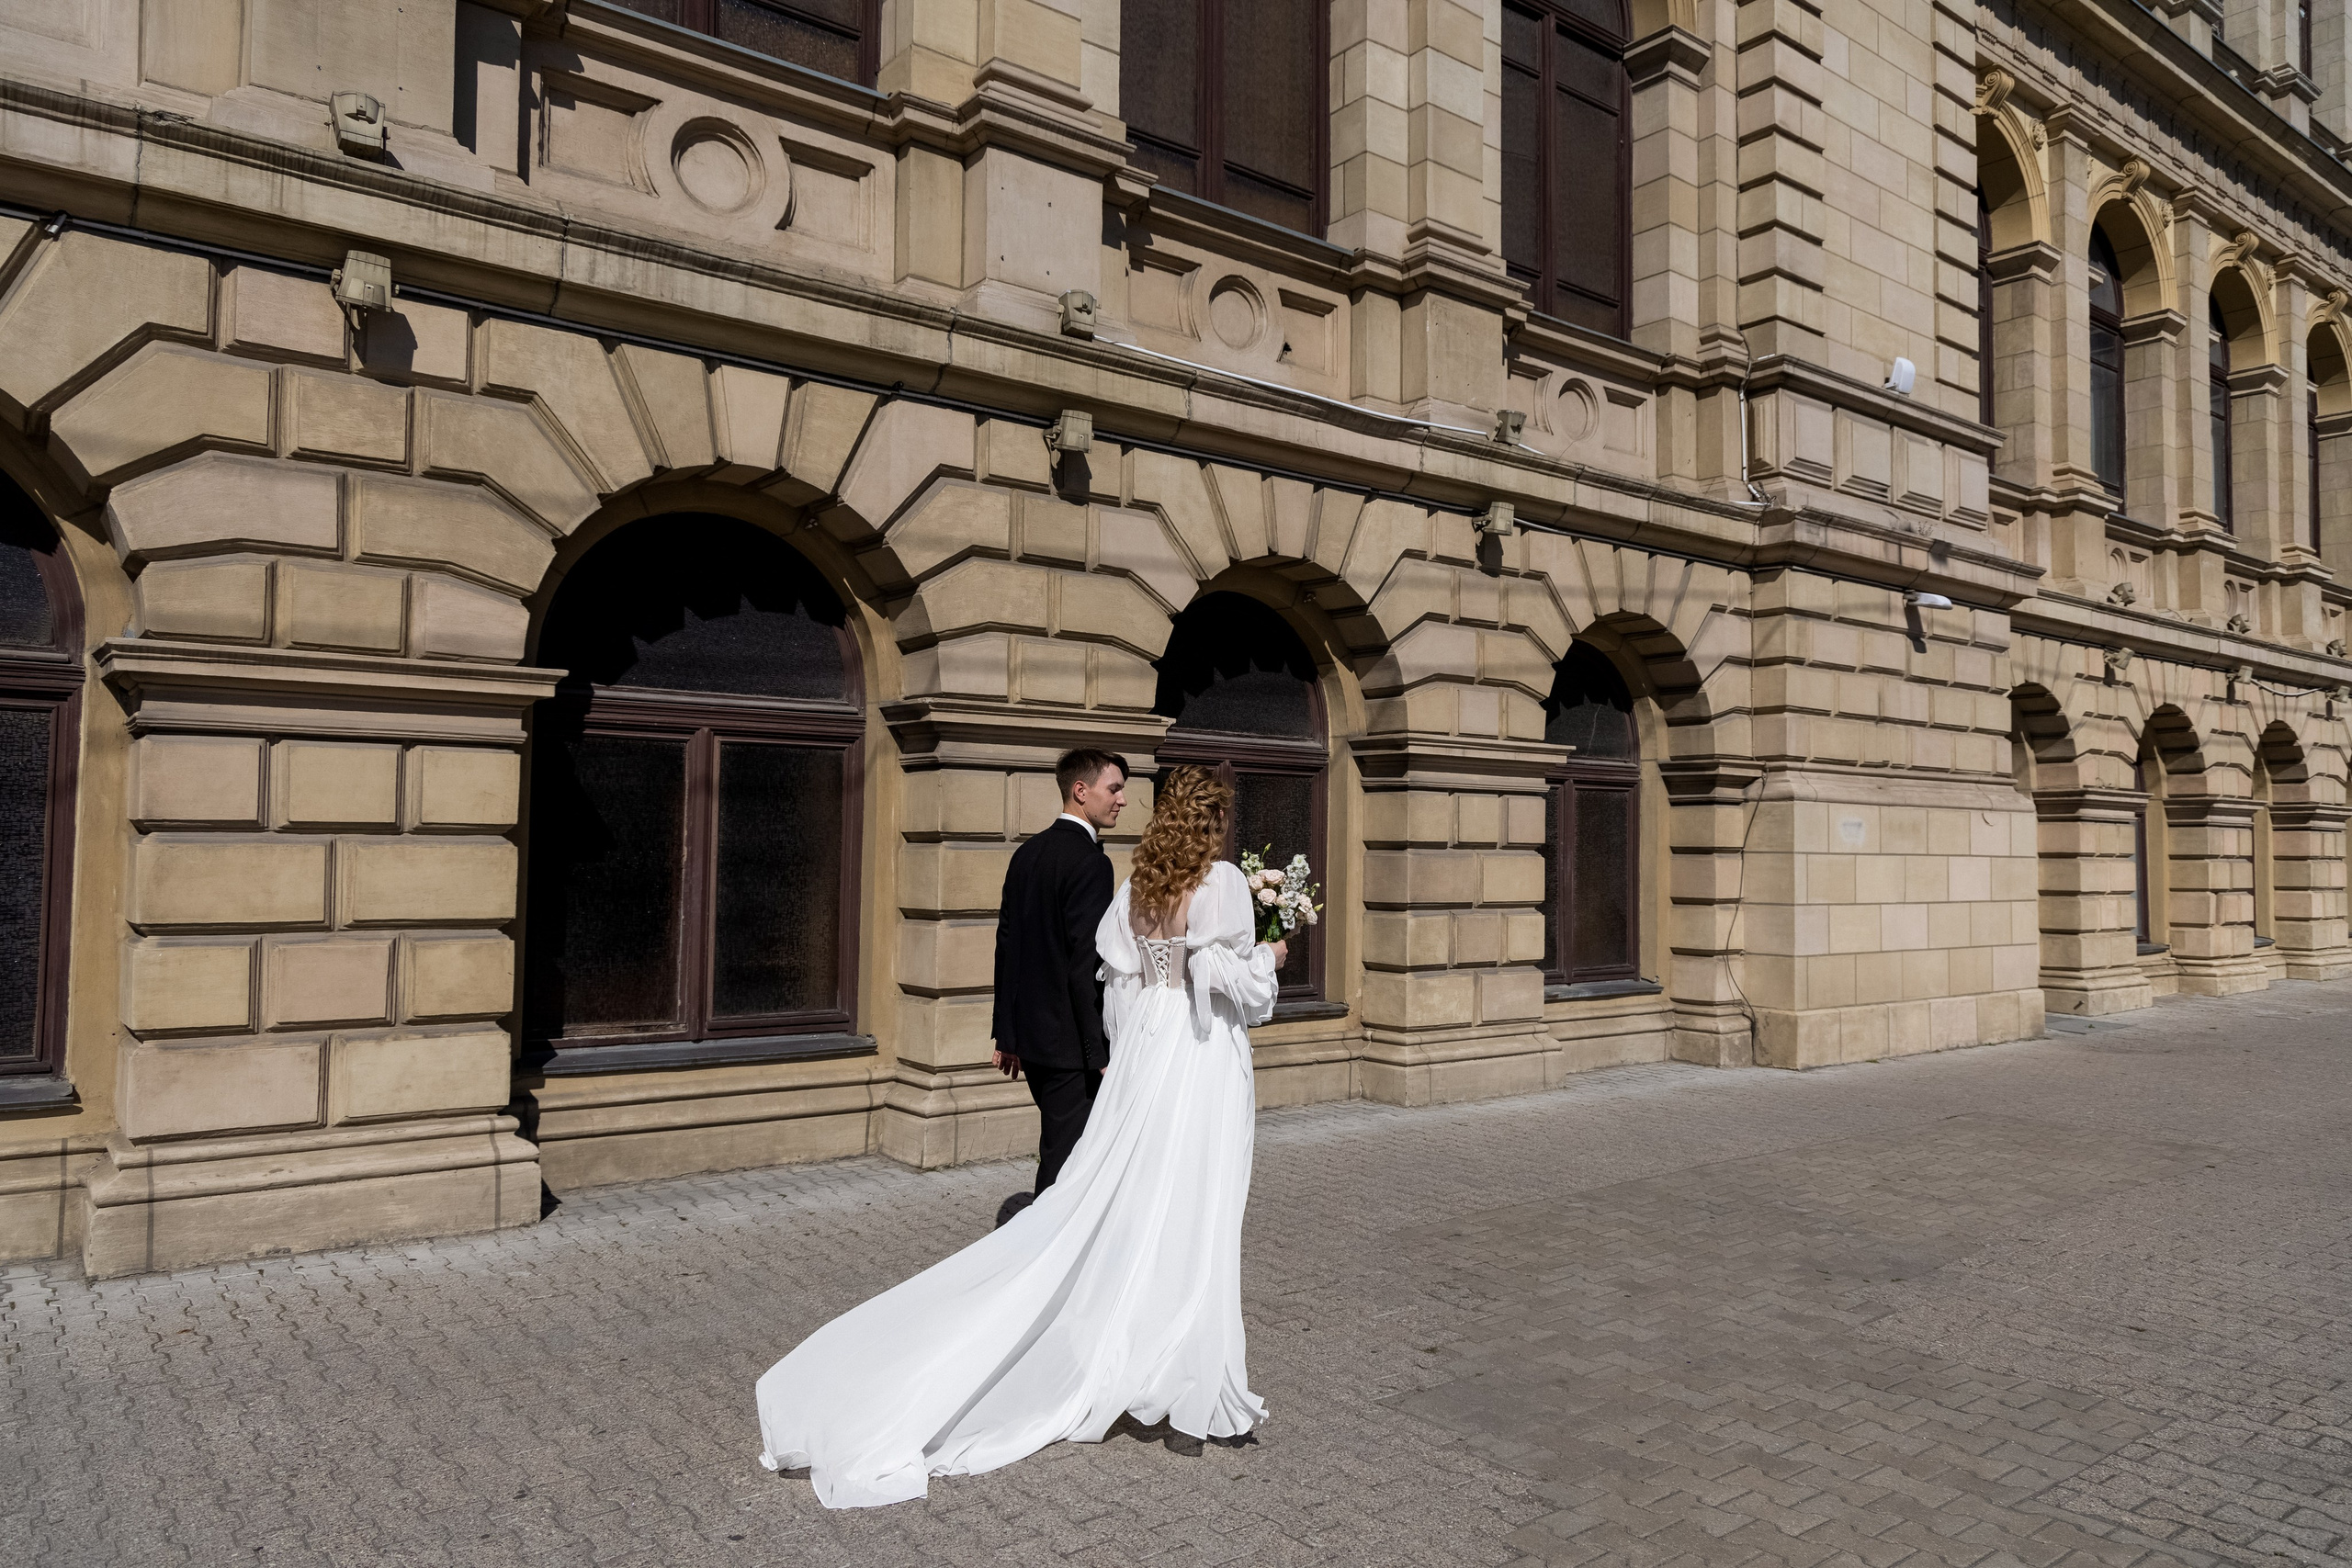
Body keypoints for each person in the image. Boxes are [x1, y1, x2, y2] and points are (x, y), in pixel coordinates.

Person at [753, 765, 1285, 1508]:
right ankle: (1187, 1385)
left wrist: (1128, 1061)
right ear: (1215, 819)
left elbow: (1122, 987)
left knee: (1135, 1201)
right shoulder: (1220, 882)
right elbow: (1227, 980)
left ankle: (1150, 1357)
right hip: (1198, 1057)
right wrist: (1271, 957)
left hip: (1148, 1050)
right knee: (1198, 1209)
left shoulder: (1137, 887)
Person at [990, 748, 1127, 1201]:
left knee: (1064, 1153)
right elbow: (1085, 963)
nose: (1123, 799)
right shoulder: (1090, 861)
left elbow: (1007, 948)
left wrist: (1008, 1035)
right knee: (1066, 1165)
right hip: (1070, 1046)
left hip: (1034, 1041)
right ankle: (1038, 1241)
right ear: (1080, 791)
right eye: (1114, 789)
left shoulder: (1027, 853)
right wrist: (1099, 1050)